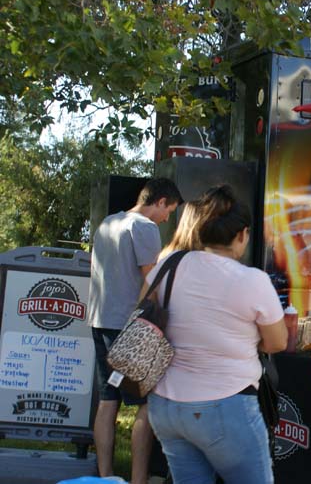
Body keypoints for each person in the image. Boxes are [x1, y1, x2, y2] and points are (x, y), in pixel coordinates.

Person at [145, 185, 287, 484]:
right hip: (225, 404)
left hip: (167, 406)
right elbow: (277, 342)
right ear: (242, 235)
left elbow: (144, 313)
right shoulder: (252, 280)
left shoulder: (168, 266)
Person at [88, 178, 182, 484]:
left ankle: (106, 477)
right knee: (147, 402)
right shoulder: (144, 227)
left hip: (100, 321)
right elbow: (151, 280)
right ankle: (139, 479)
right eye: (169, 210)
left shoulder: (107, 223)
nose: (167, 218)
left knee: (107, 399)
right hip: (132, 327)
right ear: (160, 201)